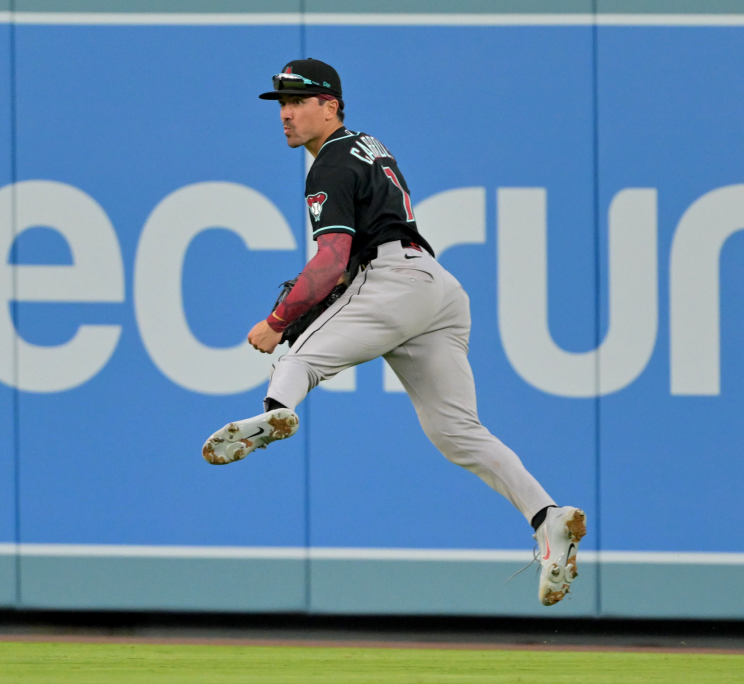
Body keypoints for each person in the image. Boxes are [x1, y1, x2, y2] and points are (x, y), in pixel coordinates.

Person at [202, 58, 585, 606]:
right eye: (280, 104)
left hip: (393, 280)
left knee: (297, 356)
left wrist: (277, 321)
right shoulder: (368, 144)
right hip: (437, 288)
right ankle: (547, 516)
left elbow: (332, 260)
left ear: (330, 105)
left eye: (297, 102)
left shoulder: (328, 164)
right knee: (457, 433)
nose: (285, 115)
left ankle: (273, 410)